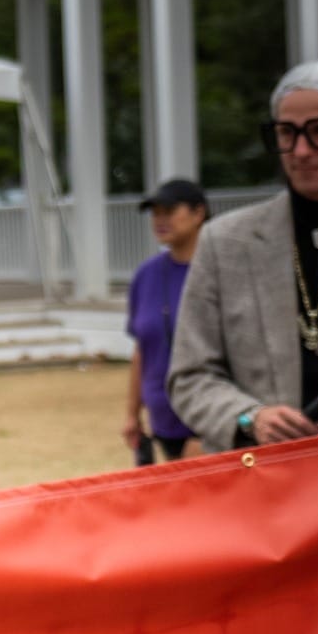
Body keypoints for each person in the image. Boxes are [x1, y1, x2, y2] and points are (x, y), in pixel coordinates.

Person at [170, 61, 318, 449]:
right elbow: (189, 377)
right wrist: (249, 417)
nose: (301, 150)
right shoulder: (225, 243)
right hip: (267, 488)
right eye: (286, 133)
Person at [123, 179, 208, 464]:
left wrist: (205, 433)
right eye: (155, 213)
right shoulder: (146, 275)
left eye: (169, 211)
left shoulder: (218, 272)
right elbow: (142, 349)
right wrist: (132, 415)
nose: (160, 220)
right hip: (162, 425)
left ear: (199, 214)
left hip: (208, 424)